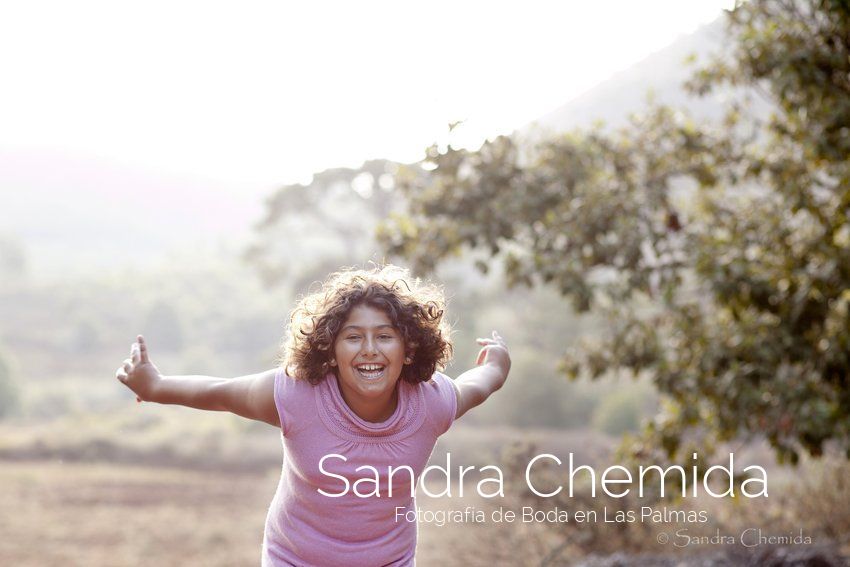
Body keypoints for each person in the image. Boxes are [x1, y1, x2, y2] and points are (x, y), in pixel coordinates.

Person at [114, 264, 511, 566]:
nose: (369, 349)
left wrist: (497, 362)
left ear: (408, 350)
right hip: (295, 558)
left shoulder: (430, 403)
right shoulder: (295, 395)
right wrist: (155, 386)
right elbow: (219, 393)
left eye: (385, 336)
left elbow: (476, 386)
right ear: (330, 351)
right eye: (353, 337)